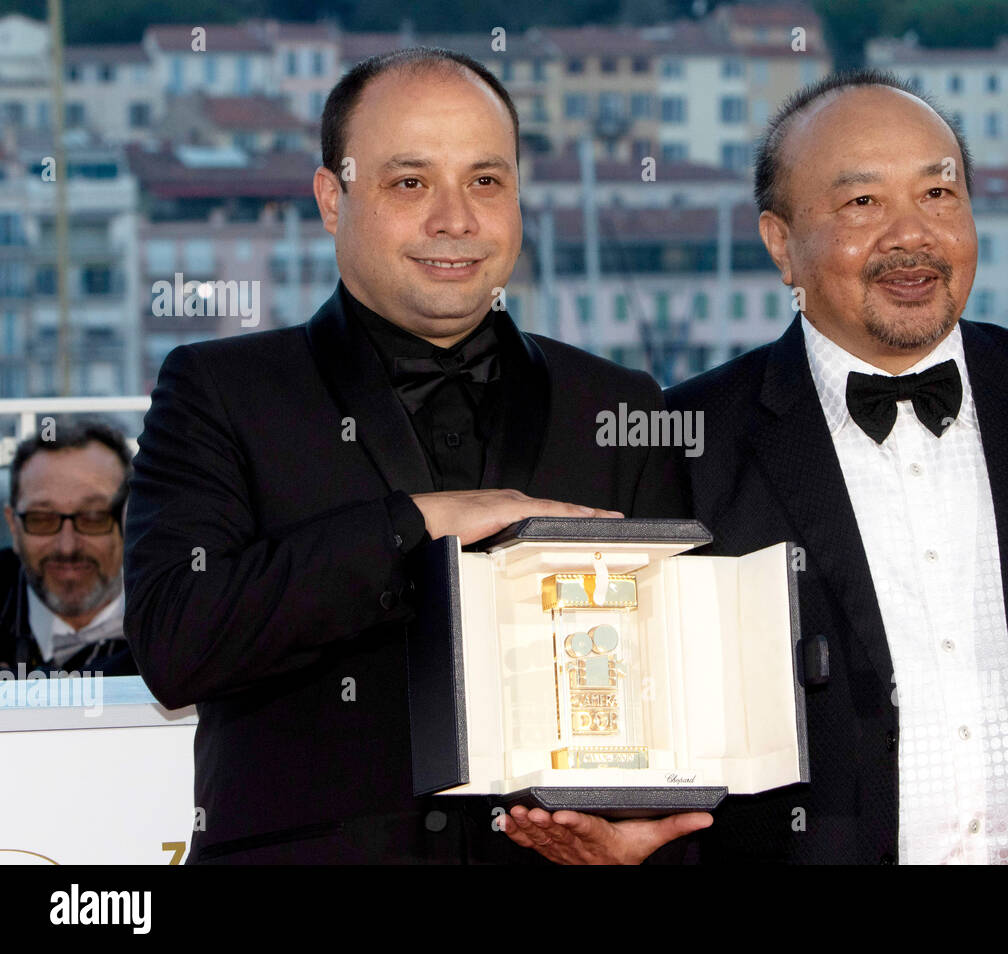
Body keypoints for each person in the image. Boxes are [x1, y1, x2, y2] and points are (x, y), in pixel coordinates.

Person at [124, 47, 709, 864]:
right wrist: (420, 524)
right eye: (409, 182)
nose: (455, 219)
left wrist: (629, 840)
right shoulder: (219, 391)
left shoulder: (619, 404)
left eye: (485, 180)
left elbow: (670, 679)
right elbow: (176, 643)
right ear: (333, 199)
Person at [664, 70, 1008, 864]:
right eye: (863, 202)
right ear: (781, 243)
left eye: (938, 195)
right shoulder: (694, 436)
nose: (912, 235)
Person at [1, 419, 136, 677]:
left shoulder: (180, 623)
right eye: (42, 519)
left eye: (94, 518)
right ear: (13, 527)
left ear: (130, 520)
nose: (67, 546)